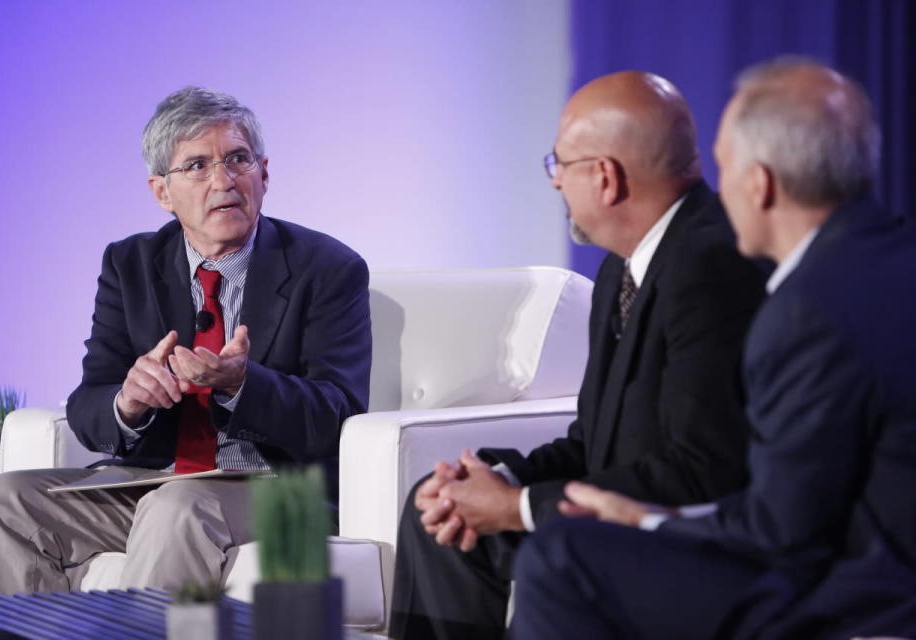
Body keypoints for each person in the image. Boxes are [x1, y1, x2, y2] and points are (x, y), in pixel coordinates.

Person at [510, 59, 916, 640]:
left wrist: (651, 523)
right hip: (865, 562)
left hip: (860, 595)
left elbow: (781, 537)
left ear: (760, 183)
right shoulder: (889, 259)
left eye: (723, 169)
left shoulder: (807, 311)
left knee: (562, 558)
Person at [388, 71, 767, 639]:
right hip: (612, 515)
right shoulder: (621, 265)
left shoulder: (714, 267)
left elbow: (703, 470)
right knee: (436, 511)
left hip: (688, 542)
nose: (556, 183)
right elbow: (596, 444)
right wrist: (495, 476)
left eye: (558, 166)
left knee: (522, 538)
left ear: (605, 177)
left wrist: (517, 505)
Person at [0, 87, 372, 595]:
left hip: (275, 489)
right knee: (3, 500)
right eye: (198, 166)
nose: (223, 181)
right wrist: (128, 402)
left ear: (264, 173)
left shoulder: (328, 269)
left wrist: (242, 384)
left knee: (176, 508)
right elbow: (90, 402)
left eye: (238, 159)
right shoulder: (130, 265)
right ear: (162, 192)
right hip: (150, 482)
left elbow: (337, 414)